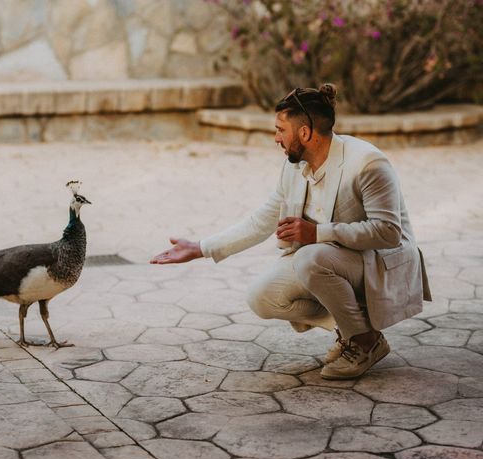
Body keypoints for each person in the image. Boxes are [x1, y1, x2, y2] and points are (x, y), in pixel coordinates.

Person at [150, 84, 431, 380]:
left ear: (305, 133)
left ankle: (363, 342)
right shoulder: (294, 166)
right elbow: (263, 218)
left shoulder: (368, 164)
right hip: (327, 259)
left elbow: (388, 233)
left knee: (312, 258)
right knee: (263, 297)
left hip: (378, 261)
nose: (276, 138)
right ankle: (356, 329)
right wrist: (201, 248)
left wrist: (317, 233)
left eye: (280, 129)